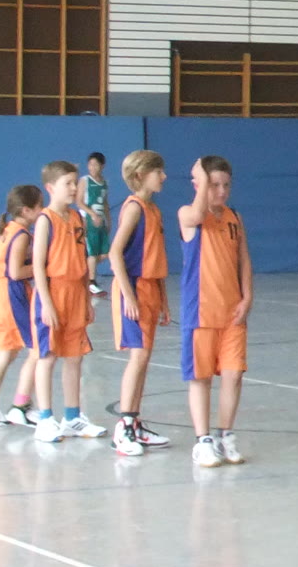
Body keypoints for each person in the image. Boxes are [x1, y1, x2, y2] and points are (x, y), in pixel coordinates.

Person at [180, 155, 252, 468]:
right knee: (201, 378)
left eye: (226, 185)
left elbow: (243, 260)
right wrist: (201, 177)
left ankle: (225, 434)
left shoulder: (234, 218)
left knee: (233, 375)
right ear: (199, 185)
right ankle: (203, 440)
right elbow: (197, 213)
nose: (221, 191)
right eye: (214, 185)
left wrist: (247, 297)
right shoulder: (188, 215)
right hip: (201, 313)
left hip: (232, 312)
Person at [30, 160, 103, 443]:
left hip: (75, 293)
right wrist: (46, 303)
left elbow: (82, 261)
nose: (74, 188)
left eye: (75, 182)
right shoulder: (45, 220)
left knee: (74, 357)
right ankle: (45, 419)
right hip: (52, 293)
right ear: (50, 188)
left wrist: (85, 297)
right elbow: (38, 266)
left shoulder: (76, 218)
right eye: (68, 183)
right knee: (47, 356)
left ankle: (72, 417)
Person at [107, 149, 172, 456]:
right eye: (158, 172)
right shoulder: (134, 208)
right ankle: (124, 427)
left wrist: (164, 299)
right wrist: (129, 296)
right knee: (138, 357)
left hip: (150, 288)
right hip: (132, 288)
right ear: (140, 175)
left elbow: (156, 258)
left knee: (144, 359)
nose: (164, 176)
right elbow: (115, 253)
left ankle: (135, 423)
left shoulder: (153, 209)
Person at [0, 185, 41, 425]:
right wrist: (43, 266)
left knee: (6, 352)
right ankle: (21, 406)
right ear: (26, 210)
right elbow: (15, 271)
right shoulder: (21, 235)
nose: (43, 210)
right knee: (38, 350)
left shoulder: (8, 230)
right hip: (12, 295)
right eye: (39, 206)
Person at [81, 151, 110, 297]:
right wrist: (92, 214)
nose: (92, 167)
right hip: (89, 220)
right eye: (90, 164)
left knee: (105, 253)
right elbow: (78, 201)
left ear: (102, 166)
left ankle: (84, 269)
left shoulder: (104, 183)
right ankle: (91, 282)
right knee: (92, 252)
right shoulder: (85, 181)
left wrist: (108, 220)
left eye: (95, 164)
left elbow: (105, 203)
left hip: (101, 221)